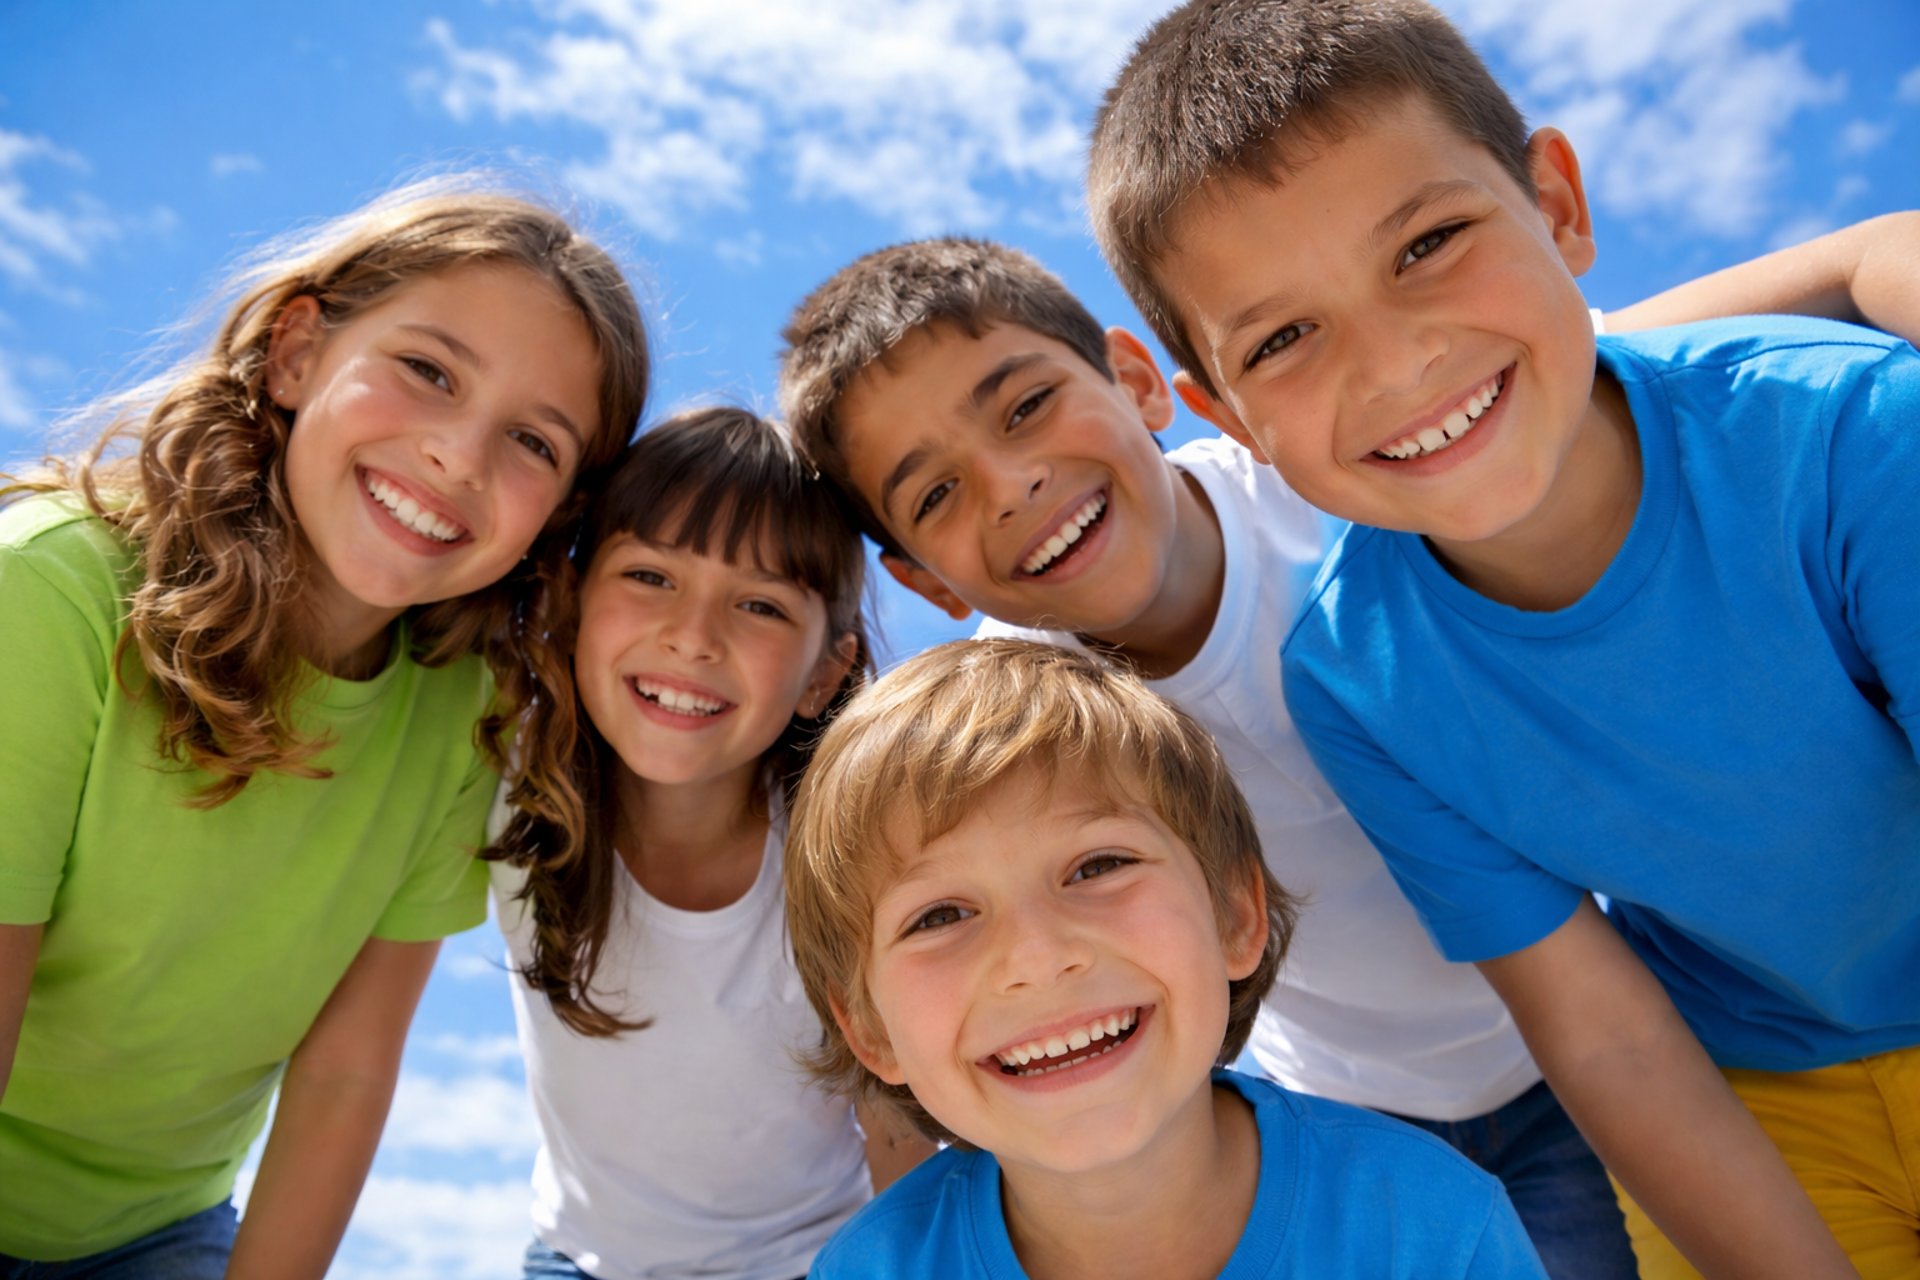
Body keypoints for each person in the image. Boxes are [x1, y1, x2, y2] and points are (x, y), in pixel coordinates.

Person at [775, 222, 1920, 1277]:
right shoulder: (1012, 720)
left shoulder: (1340, 465)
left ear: (1135, 379)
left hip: (1596, 1044)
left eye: (1024, 406)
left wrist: (1877, 272)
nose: (1010, 479)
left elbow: (1673, 330)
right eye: (934, 492)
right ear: (923, 578)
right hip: (1356, 1116)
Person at [1085, 1, 1920, 1276]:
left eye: (1426, 243)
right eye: (1286, 337)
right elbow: (1606, 1038)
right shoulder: (1354, 677)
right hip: (1745, 1084)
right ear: (1230, 417)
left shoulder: (1850, 443)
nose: (1395, 361)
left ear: (1558, 205)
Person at [0, 179, 648, 1276]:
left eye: (534, 441)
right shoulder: (52, 593)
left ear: (563, 513)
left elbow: (345, 1075)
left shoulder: (462, 714)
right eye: (428, 371)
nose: (457, 454)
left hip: (140, 1237)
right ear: (297, 351)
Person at [784, 638, 1547, 1279]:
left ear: (1234, 914)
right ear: (869, 1031)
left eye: (1097, 867)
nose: (1038, 957)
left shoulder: (1432, 1231)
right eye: (941, 915)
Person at [486, 406, 933, 1280]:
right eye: (650, 576)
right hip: (580, 1261)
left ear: (825, 674)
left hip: (814, 1263)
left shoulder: (846, 849)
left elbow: (898, 1129)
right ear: (572, 605)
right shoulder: (511, 788)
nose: (694, 635)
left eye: (760, 604)